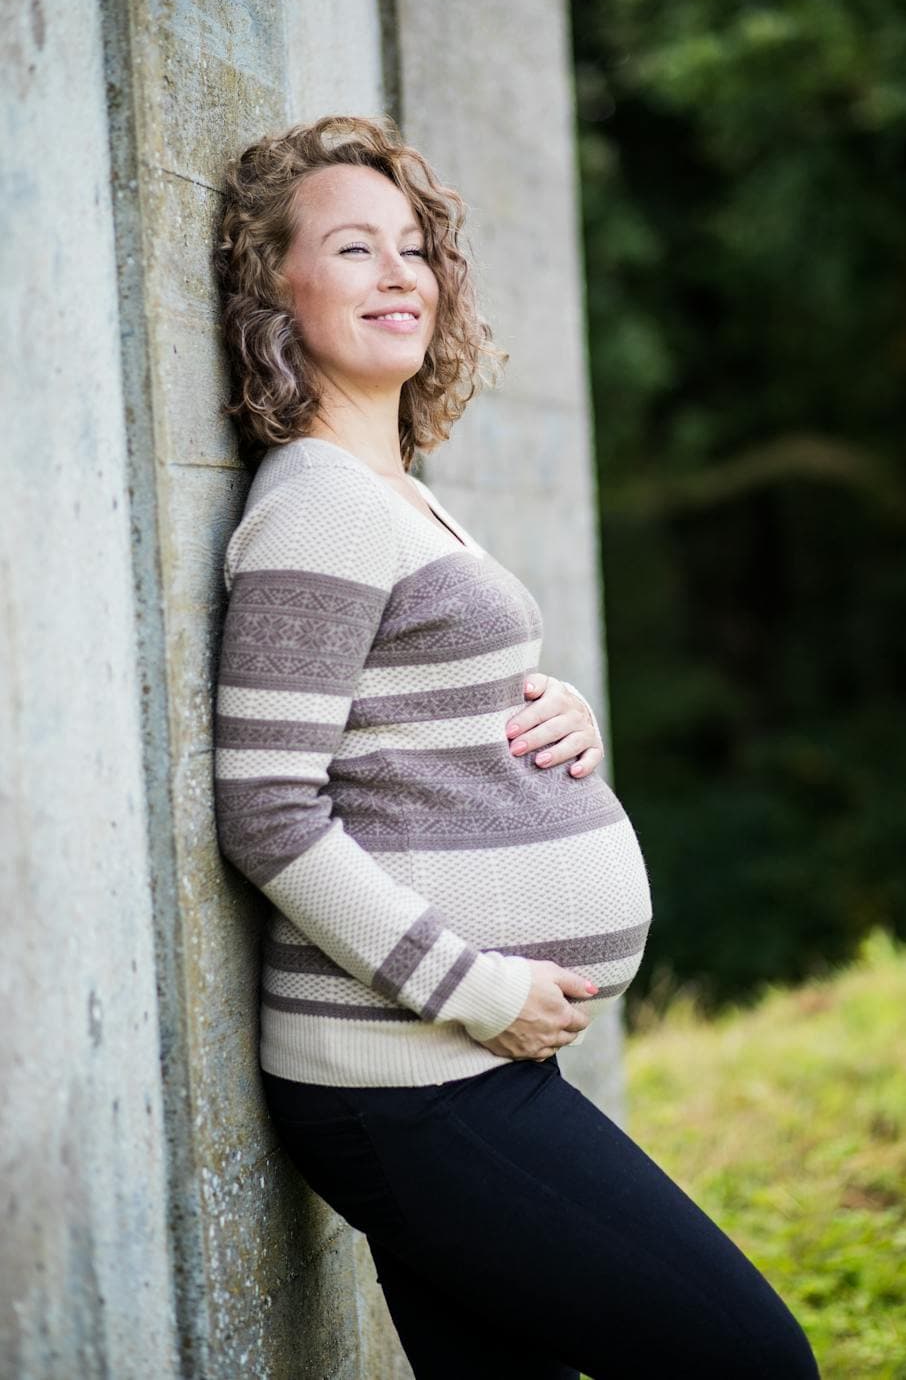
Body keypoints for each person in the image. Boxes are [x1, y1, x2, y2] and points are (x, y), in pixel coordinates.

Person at [212, 115, 820, 1380]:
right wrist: (479, 990)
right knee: (750, 1361)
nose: (400, 273)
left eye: (416, 248)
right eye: (353, 247)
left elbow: (404, 725)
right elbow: (268, 811)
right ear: (274, 283)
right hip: (410, 1075)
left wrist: (558, 721)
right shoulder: (317, 504)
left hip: (437, 1073)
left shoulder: (393, 489)